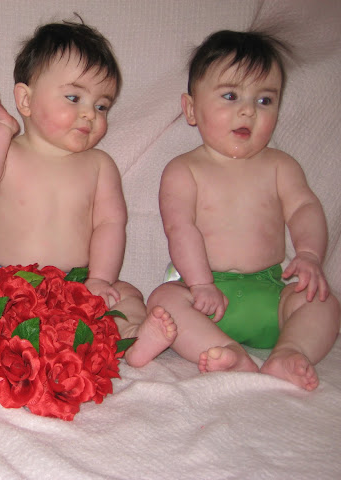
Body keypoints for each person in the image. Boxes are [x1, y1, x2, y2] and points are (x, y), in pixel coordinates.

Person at [0, 18, 177, 368]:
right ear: (25, 99)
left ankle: (134, 336)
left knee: (127, 295)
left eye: (102, 106)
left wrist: (100, 279)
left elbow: (110, 224)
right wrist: (1, 128)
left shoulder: (99, 165)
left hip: (74, 285)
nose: (89, 114)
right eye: (74, 97)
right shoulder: (8, 151)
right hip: (4, 281)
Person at [148, 30, 340, 390]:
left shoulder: (281, 166)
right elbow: (180, 228)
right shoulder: (184, 170)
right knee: (164, 300)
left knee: (323, 302)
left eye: (264, 100)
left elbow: (304, 207)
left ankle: (290, 351)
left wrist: (310, 255)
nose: (248, 110)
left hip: (271, 293)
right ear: (191, 109)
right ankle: (226, 350)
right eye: (231, 95)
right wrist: (200, 283)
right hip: (206, 296)